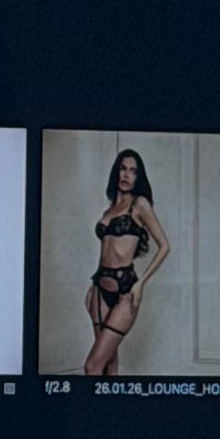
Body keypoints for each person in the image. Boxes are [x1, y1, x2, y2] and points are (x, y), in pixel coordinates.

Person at [80, 149, 169, 377]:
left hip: (125, 291)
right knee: (109, 363)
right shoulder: (108, 210)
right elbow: (106, 253)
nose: (127, 175)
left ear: (138, 177)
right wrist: (93, 285)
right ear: (116, 172)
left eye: (133, 171)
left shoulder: (139, 205)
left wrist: (141, 283)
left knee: (92, 366)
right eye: (123, 168)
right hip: (99, 290)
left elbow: (164, 246)